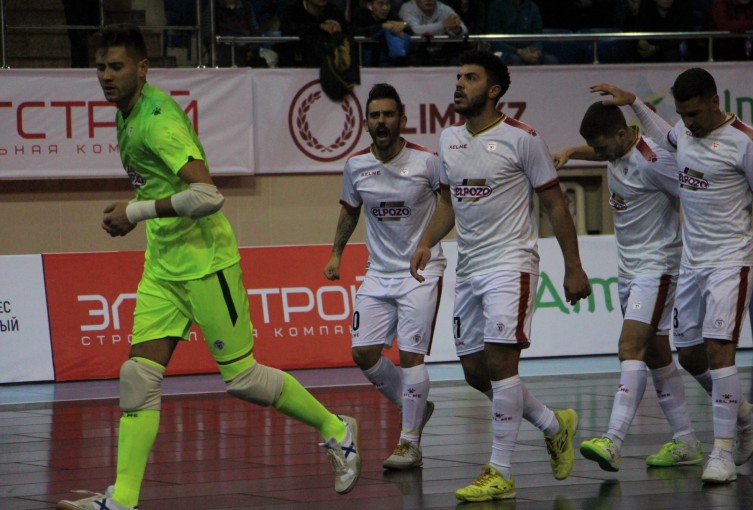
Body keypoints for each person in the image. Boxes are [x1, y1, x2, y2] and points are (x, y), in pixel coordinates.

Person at [57, 23, 361, 510]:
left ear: (142, 69)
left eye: (116, 67)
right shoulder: (126, 111)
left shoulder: (158, 120)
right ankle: (123, 500)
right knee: (138, 376)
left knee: (241, 379)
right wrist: (143, 213)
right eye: (100, 67)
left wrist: (134, 213)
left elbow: (208, 195)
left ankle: (335, 428)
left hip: (207, 265)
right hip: (163, 266)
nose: (106, 76)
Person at [590, 69, 753, 483]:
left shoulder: (747, 143)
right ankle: (746, 417)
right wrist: (633, 102)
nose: (689, 123)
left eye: (695, 114)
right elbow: (664, 130)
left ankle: (721, 453)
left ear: (714, 100)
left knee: (721, 351)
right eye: (683, 115)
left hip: (731, 261)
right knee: (689, 354)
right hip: (691, 263)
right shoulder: (683, 134)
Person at [410, 49, 591, 501]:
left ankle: (501, 472)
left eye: (469, 77)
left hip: (511, 264)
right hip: (468, 268)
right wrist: (427, 240)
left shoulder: (523, 139)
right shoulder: (448, 137)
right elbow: (449, 202)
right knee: (475, 371)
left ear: (493, 91)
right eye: (457, 76)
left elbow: (553, 205)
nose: (459, 84)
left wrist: (574, 265)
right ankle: (554, 424)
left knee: (501, 364)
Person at [552, 102, 705, 472]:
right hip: (628, 270)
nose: (600, 155)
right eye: (596, 149)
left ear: (623, 135)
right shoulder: (616, 149)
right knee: (656, 355)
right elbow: (600, 149)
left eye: (602, 148)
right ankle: (691, 438)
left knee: (629, 347)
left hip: (658, 267)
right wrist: (573, 152)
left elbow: (698, 197)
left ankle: (613, 439)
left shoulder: (655, 163)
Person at [323, 83, 442, 470]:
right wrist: (336, 253)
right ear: (366, 123)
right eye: (375, 116)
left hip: (420, 272)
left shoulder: (427, 161)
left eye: (389, 114)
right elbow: (350, 210)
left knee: (411, 356)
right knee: (363, 353)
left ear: (402, 119)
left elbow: (452, 205)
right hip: (378, 272)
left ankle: (409, 441)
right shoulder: (357, 165)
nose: (382, 121)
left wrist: (428, 242)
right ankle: (416, 409)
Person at [486, 0, 559, 65]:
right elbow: (494, 40)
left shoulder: (533, 7)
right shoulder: (496, 6)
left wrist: (535, 49)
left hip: (529, 49)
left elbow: (538, 35)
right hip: (506, 50)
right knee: (514, 60)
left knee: (551, 60)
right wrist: (518, 51)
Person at [399, 0, 468, 65]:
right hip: (414, 54)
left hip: (441, 54)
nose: (428, 0)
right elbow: (416, 30)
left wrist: (457, 30)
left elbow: (464, 30)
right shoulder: (407, 8)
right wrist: (442, 25)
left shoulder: (444, 9)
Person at [352, 0, 411, 66]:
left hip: (388, 63)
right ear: (370, 6)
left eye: (388, 4)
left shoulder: (390, 15)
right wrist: (382, 26)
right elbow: (356, 31)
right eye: (380, 3)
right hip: (366, 63)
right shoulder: (361, 14)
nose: (385, 8)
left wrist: (404, 25)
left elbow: (407, 28)